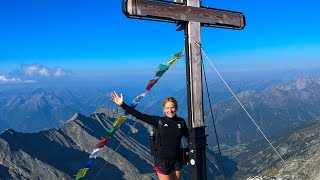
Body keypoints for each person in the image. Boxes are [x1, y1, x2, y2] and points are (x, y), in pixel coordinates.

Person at [110, 91, 188, 180]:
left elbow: (189, 136)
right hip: (162, 161)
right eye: (167, 108)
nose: (170, 110)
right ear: (163, 109)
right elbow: (140, 116)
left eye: (172, 107)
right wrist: (122, 104)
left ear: (176, 108)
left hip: (177, 159)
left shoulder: (181, 122)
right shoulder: (159, 121)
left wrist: (199, 124)